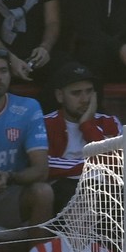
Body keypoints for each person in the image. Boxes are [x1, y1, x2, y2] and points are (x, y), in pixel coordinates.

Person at [0, 47, 53, 228]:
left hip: (10, 194)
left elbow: (41, 170)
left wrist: (10, 177)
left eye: (3, 71)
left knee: (43, 192)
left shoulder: (28, 108)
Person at [42, 61, 120, 213]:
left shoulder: (110, 122)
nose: (85, 99)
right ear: (60, 96)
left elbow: (117, 166)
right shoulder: (44, 124)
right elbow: (45, 166)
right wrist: (94, 167)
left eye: (89, 91)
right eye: (76, 93)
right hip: (63, 192)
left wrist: (87, 125)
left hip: (104, 192)